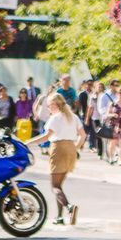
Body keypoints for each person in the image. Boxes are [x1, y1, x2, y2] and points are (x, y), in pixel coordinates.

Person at [30, 94, 88, 223]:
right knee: (59, 185)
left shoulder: (54, 118)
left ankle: (69, 207)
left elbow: (45, 137)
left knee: (54, 187)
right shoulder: (74, 117)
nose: (49, 108)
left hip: (58, 149)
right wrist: (75, 148)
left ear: (56, 105)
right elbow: (83, 135)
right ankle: (59, 217)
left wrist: (27, 143)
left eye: (49, 105)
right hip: (71, 149)